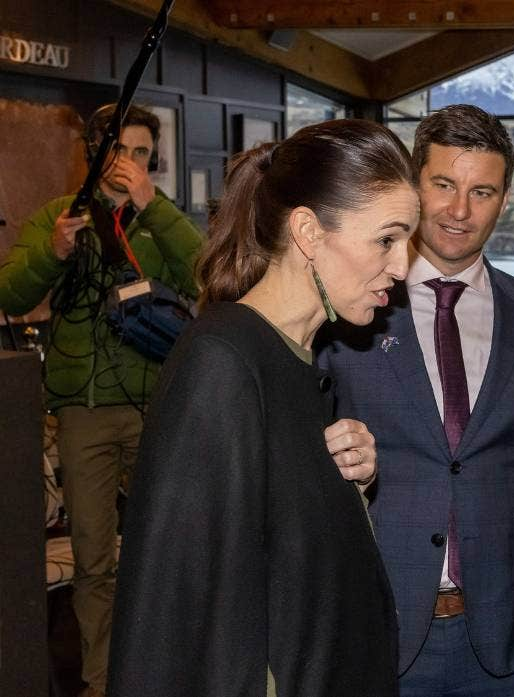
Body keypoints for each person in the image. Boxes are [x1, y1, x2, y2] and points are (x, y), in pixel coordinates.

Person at [107, 119, 418, 696]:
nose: (402, 267)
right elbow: (184, 612)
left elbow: (285, 554)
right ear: (308, 231)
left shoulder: (292, 355)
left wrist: (350, 487)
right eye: (386, 239)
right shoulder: (223, 361)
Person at [318, 104, 514, 697]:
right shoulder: (350, 309)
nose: (459, 210)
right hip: (377, 633)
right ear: (413, 185)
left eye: (481, 192)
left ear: (503, 200)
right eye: (443, 185)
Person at [0, 103, 201, 697]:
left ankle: (170, 668)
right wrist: (53, 252)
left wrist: (154, 207)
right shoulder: (58, 217)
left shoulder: (160, 218)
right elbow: (11, 294)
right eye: (120, 150)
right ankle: (101, 681)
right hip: (83, 412)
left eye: (141, 153)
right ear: (95, 152)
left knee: (169, 545)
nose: (129, 163)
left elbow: (207, 274)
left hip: (156, 406)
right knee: (94, 558)